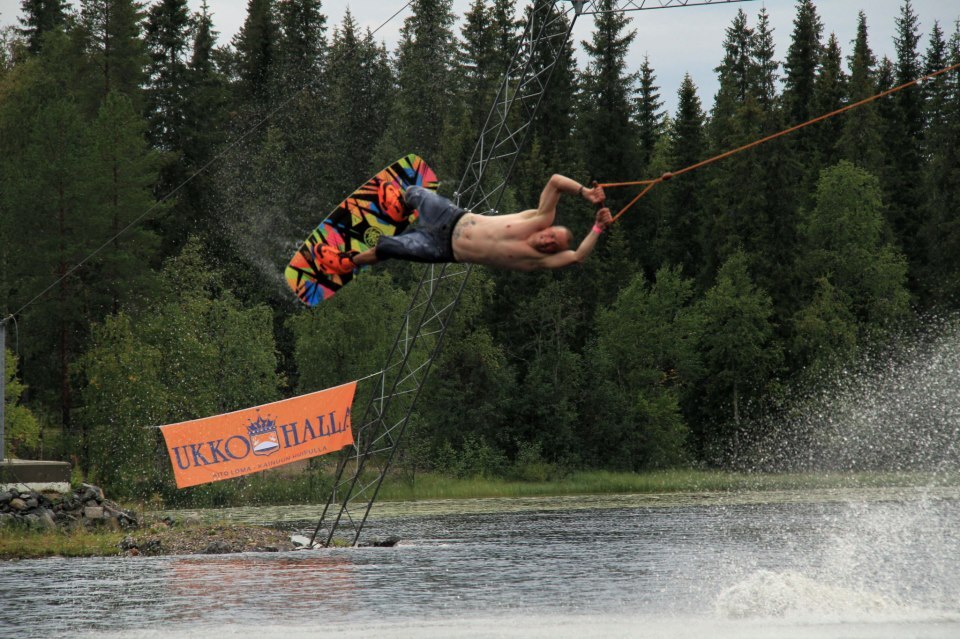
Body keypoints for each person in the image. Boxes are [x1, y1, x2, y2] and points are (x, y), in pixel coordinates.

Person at [318, 174, 612, 274]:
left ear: (551, 251)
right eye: (551, 235)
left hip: (442, 249)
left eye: (552, 245)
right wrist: (586, 193)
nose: (548, 240)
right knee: (416, 193)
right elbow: (556, 181)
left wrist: (597, 228)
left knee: (388, 248)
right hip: (451, 216)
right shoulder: (538, 218)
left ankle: (349, 262)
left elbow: (577, 256)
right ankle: (400, 203)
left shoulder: (535, 261)